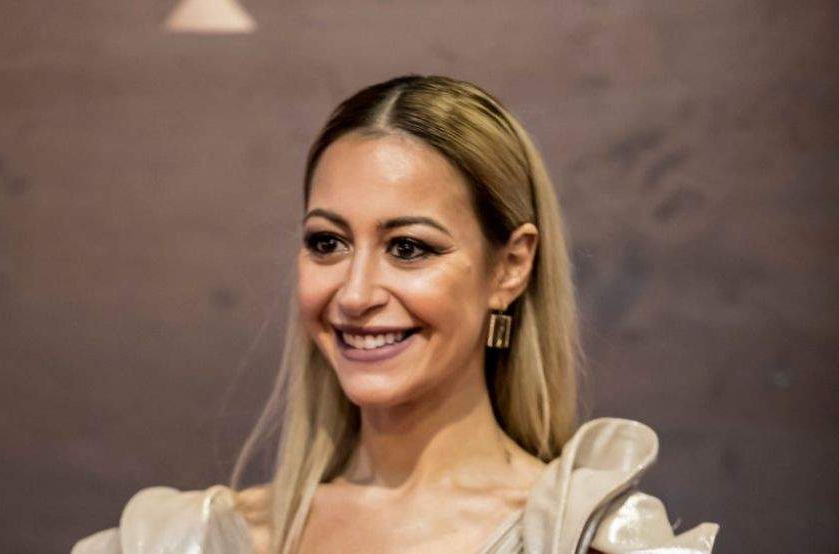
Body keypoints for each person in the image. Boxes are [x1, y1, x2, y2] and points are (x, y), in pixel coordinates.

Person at [71, 74, 719, 553]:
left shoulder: (585, 540)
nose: (355, 295)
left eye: (408, 248)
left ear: (510, 267)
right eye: (328, 243)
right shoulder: (186, 540)